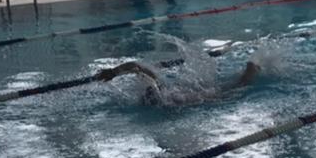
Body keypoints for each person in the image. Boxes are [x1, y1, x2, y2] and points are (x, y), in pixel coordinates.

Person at [97, 59, 260, 105]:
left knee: (230, 92)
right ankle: (249, 73)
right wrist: (112, 72)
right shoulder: (162, 94)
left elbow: (136, 66)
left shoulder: (167, 101)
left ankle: (250, 73)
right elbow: (135, 66)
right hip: (186, 95)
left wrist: (113, 72)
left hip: (187, 98)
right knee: (227, 91)